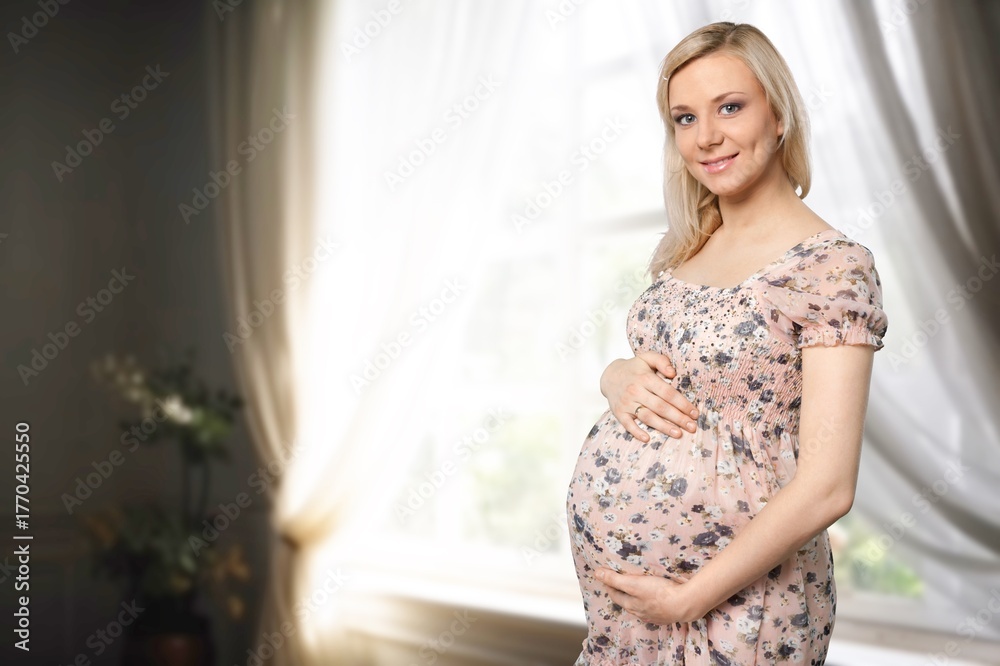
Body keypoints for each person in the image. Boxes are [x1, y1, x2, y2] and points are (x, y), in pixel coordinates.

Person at [565, 21, 889, 665]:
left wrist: (688, 599)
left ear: (779, 115)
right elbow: (676, 374)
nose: (705, 136)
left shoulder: (831, 267)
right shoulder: (688, 245)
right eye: (685, 118)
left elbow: (828, 485)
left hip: (740, 610)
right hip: (625, 617)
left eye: (730, 107)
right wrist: (614, 375)